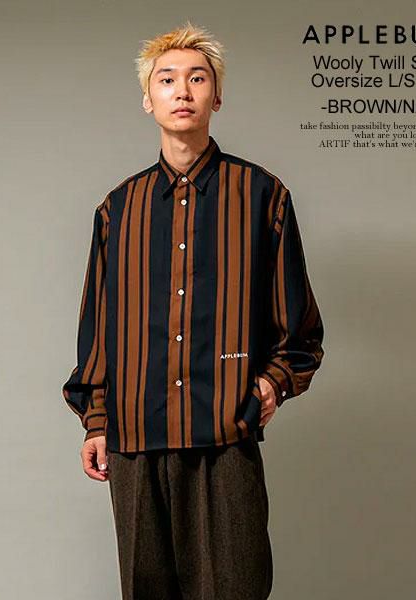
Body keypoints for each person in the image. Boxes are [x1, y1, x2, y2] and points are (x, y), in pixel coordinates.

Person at [62, 20, 325, 600]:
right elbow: (98, 332)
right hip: (135, 441)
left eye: (197, 78)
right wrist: (97, 421)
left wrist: (271, 385)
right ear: (148, 98)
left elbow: (300, 328)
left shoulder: (262, 196)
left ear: (217, 97)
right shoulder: (117, 210)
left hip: (224, 437)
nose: (182, 90)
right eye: (167, 79)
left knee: (236, 587)